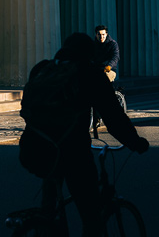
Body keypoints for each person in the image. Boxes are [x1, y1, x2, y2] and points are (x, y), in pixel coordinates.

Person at [19, 33, 148, 236]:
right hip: (72, 152)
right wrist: (135, 142)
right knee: (91, 214)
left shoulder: (42, 69)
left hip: (36, 147)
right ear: (89, 53)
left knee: (50, 207)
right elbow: (113, 117)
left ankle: (43, 224)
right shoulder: (89, 73)